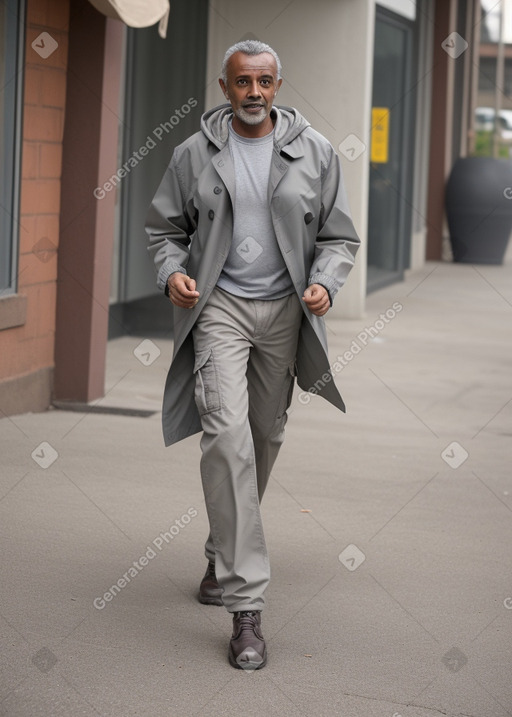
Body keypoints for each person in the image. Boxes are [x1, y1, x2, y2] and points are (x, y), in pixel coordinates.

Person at [145, 39, 360, 670]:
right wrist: (169, 274)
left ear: (278, 85)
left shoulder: (314, 152)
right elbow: (164, 230)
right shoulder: (194, 154)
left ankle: (222, 545)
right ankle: (246, 608)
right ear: (225, 87)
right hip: (220, 309)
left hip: (286, 313)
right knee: (228, 436)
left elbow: (339, 235)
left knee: (264, 433)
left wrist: (325, 280)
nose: (255, 92)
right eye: (243, 82)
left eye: (265, 81)